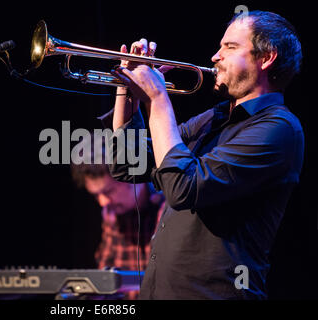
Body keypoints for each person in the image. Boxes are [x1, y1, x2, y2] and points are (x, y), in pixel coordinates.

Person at [100, 10, 304, 299]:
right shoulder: (214, 117)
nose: (215, 56)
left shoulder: (279, 128)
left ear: (266, 58)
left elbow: (183, 188)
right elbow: (129, 165)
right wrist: (127, 88)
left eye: (230, 47)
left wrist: (158, 99)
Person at [70, 135, 165, 299]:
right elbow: (105, 281)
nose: (102, 202)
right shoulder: (112, 214)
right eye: (96, 195)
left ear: (130, 175)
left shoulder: (168, 208)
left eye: (108, 192)